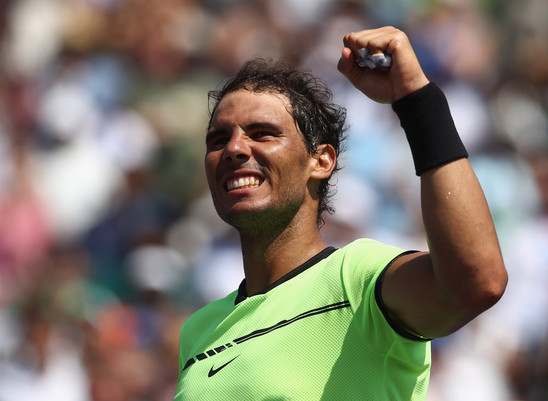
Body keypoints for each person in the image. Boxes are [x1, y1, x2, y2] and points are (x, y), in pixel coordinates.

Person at [174, 26, 508, 400]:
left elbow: (476, 284)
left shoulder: (358, 278)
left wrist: (418, 100)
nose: (234, 148)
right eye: (218, 139)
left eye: (262, 133)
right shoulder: (199, 330)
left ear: (321, 161)